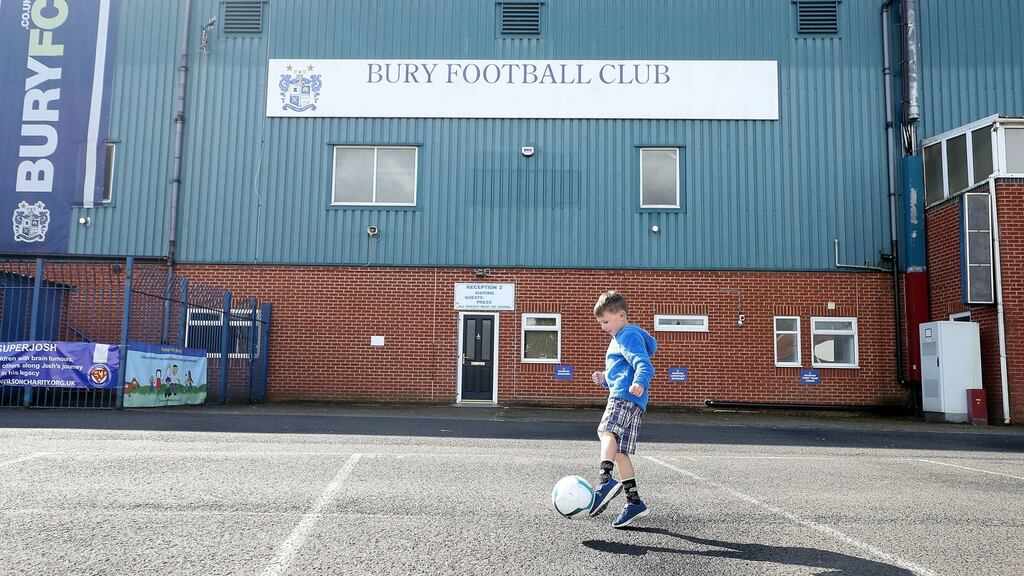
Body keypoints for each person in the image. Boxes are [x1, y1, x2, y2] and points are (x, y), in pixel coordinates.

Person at [589, 290, 657, 528]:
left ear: (621, 315)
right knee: (619, 452)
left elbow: (642, 363)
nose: (603, 327)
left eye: (606, 322)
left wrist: (640, 381)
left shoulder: (627, 334)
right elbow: (621, 370)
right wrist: (604, 377)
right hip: (631, 398)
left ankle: (605, 481)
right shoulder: (621, 336)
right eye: (600, 323)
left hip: (624, 397)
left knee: (605, 432)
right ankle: (634, 502)